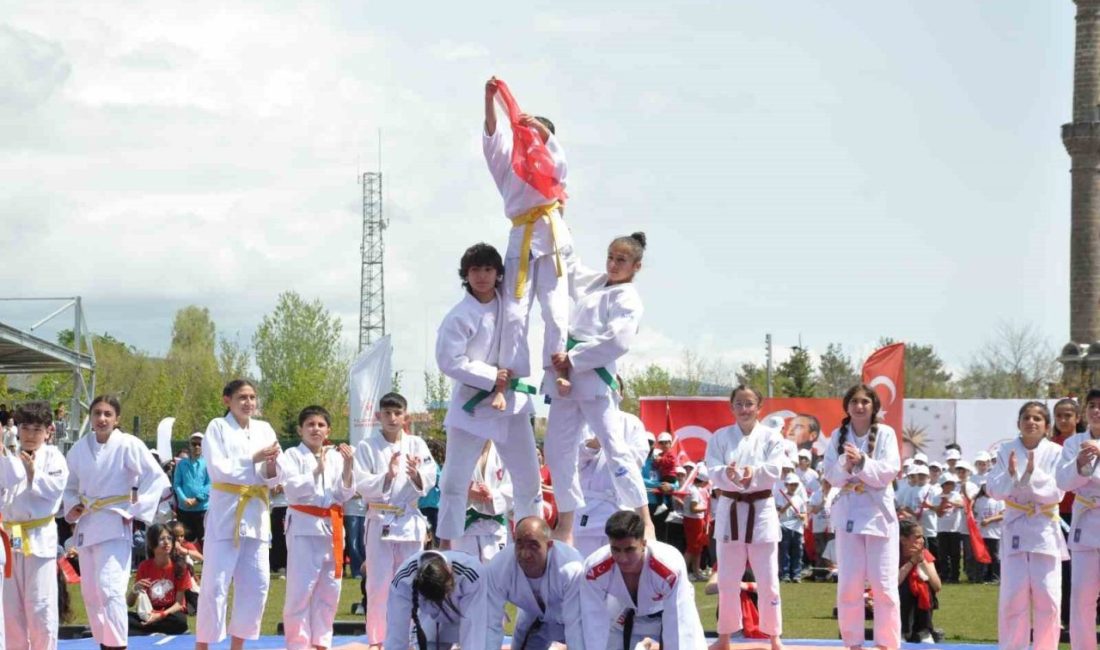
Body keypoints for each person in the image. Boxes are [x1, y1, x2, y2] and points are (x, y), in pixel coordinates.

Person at [544, 233, 655, 545]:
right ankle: (565, 522)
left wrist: (575, 357)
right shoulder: (595, 283)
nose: (613, 264)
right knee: (556, 449)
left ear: (636, 266)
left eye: (621, 260)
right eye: (610, 257)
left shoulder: (628, 298)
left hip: (592, 375)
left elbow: (618, 341)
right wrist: (556, 222)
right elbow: (570, 264)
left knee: (615, 448)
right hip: (566, 378)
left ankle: (644, 518)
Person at [434, 243, 543, 551]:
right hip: (472, 407)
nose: (481, 276)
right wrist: (491, 375)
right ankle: (446, 549)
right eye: (475, 270)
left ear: (498, 274)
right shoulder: (459, 316)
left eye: (488, 269)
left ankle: (531, 541)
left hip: (511, 404)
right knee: (455, 481)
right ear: (465, 275)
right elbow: (448, 360)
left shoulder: (510, 304)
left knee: (528, 480)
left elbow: (527, 269)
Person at [482, 75, 572, 395]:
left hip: (552, 238)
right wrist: (489, 100)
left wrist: (543, 132)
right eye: (527, 137)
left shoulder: (552, 169)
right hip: (521, 237)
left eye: (538, 138)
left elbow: (560, 168)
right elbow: (493, 138)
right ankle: (511, 373)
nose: (531, 142)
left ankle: (557, 370)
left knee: (555, 311)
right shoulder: (509, 167)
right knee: (515, 312)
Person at [62, 395, 170, 650]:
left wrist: (134, 507)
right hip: (87, 524)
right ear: (91, 417)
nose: (101, 419)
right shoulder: (79, 449)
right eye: (97, 413)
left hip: (115, 523)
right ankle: (104, 643)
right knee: (91, 593)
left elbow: (155, 477)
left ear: (116, 419)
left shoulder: (128, 444)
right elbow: (69, 486)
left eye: (107, 414)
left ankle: (118, 645)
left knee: (110, 589)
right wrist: (73, 505)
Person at [194, 379, 284, 650]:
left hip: (256, 515)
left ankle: (238, 646)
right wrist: (254, 459)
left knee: (256, 585)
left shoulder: (265, 428)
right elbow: (218, 469)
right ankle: (203, 645)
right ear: (227, 401)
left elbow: (273, 474)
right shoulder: (217, 427)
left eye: (252, 397)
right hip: (226, 515)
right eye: (242, 397)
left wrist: (271, 468)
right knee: (215, 585)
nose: (248, 402)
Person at [354, 392, 438, 648]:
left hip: (409, 520)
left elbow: (430, 476)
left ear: (405, 416)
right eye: (387, 413)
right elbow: (361, 483)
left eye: (397, 413)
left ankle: (412, 637)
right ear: (378, 416)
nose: (392, 418)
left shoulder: (417, 444)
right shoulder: (367, 446)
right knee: (379, 584)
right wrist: (387, 477)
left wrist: (416, 476)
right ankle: (377, 640)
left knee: (413, 582)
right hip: (380, 519)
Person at [705, 384, 785, 650]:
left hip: (761, 510)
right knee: (727, 580)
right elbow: (711, 468)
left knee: (768, 579)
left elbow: (774, 469)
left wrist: (753, 471)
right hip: (730, 510)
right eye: (739, 404)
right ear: (731, 407)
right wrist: (725, 474)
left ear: (759, 407)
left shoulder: (772, 437)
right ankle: (725, 637)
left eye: (749, 403)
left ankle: (774, 637)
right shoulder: (720, 437)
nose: (744, 409)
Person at [822, 383, 902, 650]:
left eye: (865, 402)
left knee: (884, 586)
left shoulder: (887, 434)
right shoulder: (837, 436)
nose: (859, 406)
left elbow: (889, 471)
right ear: (847, 405)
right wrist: (847, 462)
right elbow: (831, 476)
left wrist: (862, 462)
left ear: (874, 406)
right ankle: (852, 643)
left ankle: (886, 644)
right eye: (854, 401)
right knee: (849, 585)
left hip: (878, 515)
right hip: (848, 514)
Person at [987, 401, 1066, 650]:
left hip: (1044, 528)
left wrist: (1033, 475)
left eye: (1037, 418)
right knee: (1013, 597)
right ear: (1019, 423)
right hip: (1016, 527)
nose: (1031, 422)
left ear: (1046, 426)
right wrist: (1012, 476)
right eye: (1027, 417)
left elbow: (1057, 492)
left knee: (1048, 597)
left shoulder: (1055, 451)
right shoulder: (1005, 450)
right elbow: (992, 488)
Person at [278, 405, 356, 650]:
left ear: (328, 429)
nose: (316, 429)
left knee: (329, 589)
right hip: (304, 527)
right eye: (310, 424)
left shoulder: (335, 455)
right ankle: (299, 644)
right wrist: (317, 470)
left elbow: (345, 493)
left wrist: (348, 466)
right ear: (300, 429)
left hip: (332, 528)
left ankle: (322, 642)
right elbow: (291, 489)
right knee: (301, 590)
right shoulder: (291, 456)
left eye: (321, 425)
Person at [580, 510, 706, 649]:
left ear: (644, 544)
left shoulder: (668, 567)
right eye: (615, 549)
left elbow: (679, 626)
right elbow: (592, 621)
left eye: (630, 550)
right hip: (622, 614)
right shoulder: (594, 569)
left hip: (667, 611)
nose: (622, 558)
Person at [2, 400, 68, 650]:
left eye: (36, 429)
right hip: (11, 537)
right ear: (17, 428)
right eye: (25, 428)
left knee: (41, 606)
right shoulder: (8, 455)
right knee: (10, 609)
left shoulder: (54, 458)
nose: (30, 435)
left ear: (48, 431)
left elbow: (55, 492)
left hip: (39, 538)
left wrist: (33, 474)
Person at [485, 517, 585, 649]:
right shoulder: (499, 567)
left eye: (533, 546)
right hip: (533, 621)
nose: (525, 554)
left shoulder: (571, 568)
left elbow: (576, 626)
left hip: (577, 621)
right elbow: (490, 623)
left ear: (549, 545)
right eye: (519, 544)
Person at [1056, 389, 1100, 650]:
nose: (1096, 410)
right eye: (1091, 405)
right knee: (1082, 595)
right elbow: (1063, 482)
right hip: (1085, 523)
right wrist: (1080, 466)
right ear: (1084, 412)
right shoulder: (1074, 444)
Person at [574, 414, 650, 558]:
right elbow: (574, 460)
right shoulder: (583, 420)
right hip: (590, 507)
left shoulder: (632, 422)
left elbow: (637, 459)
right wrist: (594, 444)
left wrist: (611, 445)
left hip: (620, 507)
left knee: (619, 562)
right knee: (584, 563)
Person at [384, 549, 487, 649]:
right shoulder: (403, 581)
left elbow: (474, 627)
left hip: (470, 619)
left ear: (450, 570)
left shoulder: (471, 572)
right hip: (432, 620)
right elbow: (396, 634)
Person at [127, 523, 191, 636]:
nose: (166, 542)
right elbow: (130, 603)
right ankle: (154, 631)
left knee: (180, 621)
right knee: (124, 618)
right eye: (162, 539)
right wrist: (135, 589)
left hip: (169, 614)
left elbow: (179, 604)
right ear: (152, 544)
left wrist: (160, 616)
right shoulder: (144, 566)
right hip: (148, 613)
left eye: (169, 538)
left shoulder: (180, 567)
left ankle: (147, 631)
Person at [455, 440, 512, 563]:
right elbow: (447, 482)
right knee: (466, 573)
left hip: (494, 527)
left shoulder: (504, 450)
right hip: (466, 526)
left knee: (496, 574)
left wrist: (493, 495)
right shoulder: (460, 448)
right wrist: (464, 488)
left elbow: (514, 486)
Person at [897, 519, 941, 643]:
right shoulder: (893, 554)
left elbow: (937, 586)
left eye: (922, 537)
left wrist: (922, 562)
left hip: (920, 603)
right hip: (898, 598)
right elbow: (893, 584)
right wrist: (911, 562)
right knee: (906, 585)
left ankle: (924, 631)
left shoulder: (924, 554)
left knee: (923, 586)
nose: (922, 541)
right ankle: (902, 631)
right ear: (903, 540)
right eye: (917, 537)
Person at [173, 432, 210, 548]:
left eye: (200, 444)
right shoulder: (181, 464)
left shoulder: (209, 464)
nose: (197, 447)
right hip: (184, 509)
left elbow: (210, 484)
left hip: (202, 509)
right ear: (190, 445)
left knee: (205, 541)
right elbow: (177, 484)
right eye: (194, 444)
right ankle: (182, 566)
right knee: (182, 541)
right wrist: (184, 499)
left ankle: (207, 565)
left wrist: (198, 499)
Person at [682, 466, 711, 581]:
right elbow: (693, 508)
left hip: (693, 520)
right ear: (703, 481)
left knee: (697, 549)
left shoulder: (691, 488)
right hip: (694, 521)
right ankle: (684, 573)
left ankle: (696, 572)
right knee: (692, 548)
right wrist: (705, 508)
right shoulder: (694, 491)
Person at [778, 474, 806, 583]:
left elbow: (804, 513)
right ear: (786, 485)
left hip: (797, 528)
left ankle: (796, 575)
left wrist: (802, 516)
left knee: (797, 552)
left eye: (795, 485)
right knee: (784, 552)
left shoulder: (799, 498)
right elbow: (779, 511)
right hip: (785, 527)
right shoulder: (781, 497)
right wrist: (788, 505)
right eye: (791, 485)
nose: (793, 487)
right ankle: (785, 575)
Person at [973, 483, 1003, 584]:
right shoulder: (979, 500)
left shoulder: (999, 500)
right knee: (982, 555)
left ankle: (995, 577)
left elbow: (1003, 515)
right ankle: (982, 577)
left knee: (995, 556)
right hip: (981, 533)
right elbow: (975, 514)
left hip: (995, 533)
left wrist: (989, 520)